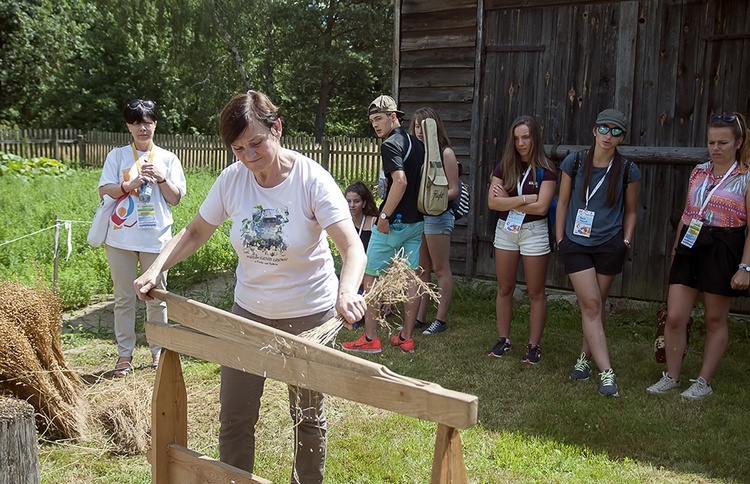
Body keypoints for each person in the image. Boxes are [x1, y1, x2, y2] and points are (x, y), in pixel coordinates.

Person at [134, 91, 366, 482]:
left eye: (256, 143)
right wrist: (156, 268)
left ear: (277, 129)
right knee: (235, 417)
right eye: (238, 147)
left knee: (307, 419)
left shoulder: (312, 180)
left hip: (309, 314)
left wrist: (346, 294)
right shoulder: (233, 179)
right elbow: (195, 232)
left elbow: (351, 247)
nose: (247, 155)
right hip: (248, 315)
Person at [647, 112, 750, 400]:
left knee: (715, 318)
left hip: (723, 245)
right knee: (676, 316)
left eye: (723, 142)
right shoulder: (698, 171)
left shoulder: (745, 177)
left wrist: (745, 267)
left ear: (738, 142)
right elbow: (689, 210)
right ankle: (672, 375)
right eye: (711, 142)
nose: (715, 148)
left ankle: (703, 381)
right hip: (691, 243)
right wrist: (676, 246)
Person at [97, 98, 186, 377]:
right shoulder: (118, 156)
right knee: (123, 299)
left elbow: (175, 199)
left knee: (156, 297)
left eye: (147, 122)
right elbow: (104, 190)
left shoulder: (169, 159)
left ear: (155, 123)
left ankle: (158, 352)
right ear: (128, 126)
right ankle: (124, 355)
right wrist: (128, 184)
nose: (142, 128)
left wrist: (161, 178)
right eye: (136, 123)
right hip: (120, 240)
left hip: (156, 240)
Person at [555, 108, 641, 397]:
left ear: (622, 137)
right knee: (591, 305)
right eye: (604, 128)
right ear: (594, 130)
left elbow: (631, 211)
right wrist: (560, 239)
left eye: (616, 131)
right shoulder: (575, 161)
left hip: (609, 245)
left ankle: (584, 359)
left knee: (596, 306)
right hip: (576, 244)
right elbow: (563, 202)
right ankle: (607, 374)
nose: (608, 135)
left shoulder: (629, 169)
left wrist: (625, 241)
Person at [342, 95, 425, 353]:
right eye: (371, 120)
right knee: (411, 278)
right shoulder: (417, 143)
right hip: (416, 221)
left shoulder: (390, 144)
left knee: (371, 277)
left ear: (393, 117)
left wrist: (385, 216)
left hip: (394, 222)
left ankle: (370, 339)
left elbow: (400, 182)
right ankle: (406, 338)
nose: (375, 125)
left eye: (379, 118)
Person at [487, 115, 557, 363]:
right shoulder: (504, 166)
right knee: (505, 288)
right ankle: (503, 339)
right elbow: (493, 202)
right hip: (506, 229)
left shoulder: (546, 169)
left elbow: (543, 208)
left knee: (535, 291)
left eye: (525, 137)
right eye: (516, 138)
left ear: (534, 137)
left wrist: (510, 199)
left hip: (533, 232)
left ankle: (534, 345)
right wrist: (527, 199)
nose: (521, 143)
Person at [409, 108, 460, 335]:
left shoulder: (445, 153)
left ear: (435, 126)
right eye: (417, 126)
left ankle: (440, 320)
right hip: (419, 216)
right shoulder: (415, 151)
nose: (420, 131)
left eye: (424, 126)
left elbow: (453, 190)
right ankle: (420, 317)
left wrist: (432, 200)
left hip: (438, 217)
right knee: (421, 269)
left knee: (440, 269)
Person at [345, 181, 378, 252]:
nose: (352, 205)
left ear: (364, 203)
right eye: (348, 201)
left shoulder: (373, 222)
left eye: (356, 201)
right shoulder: (344, 222)